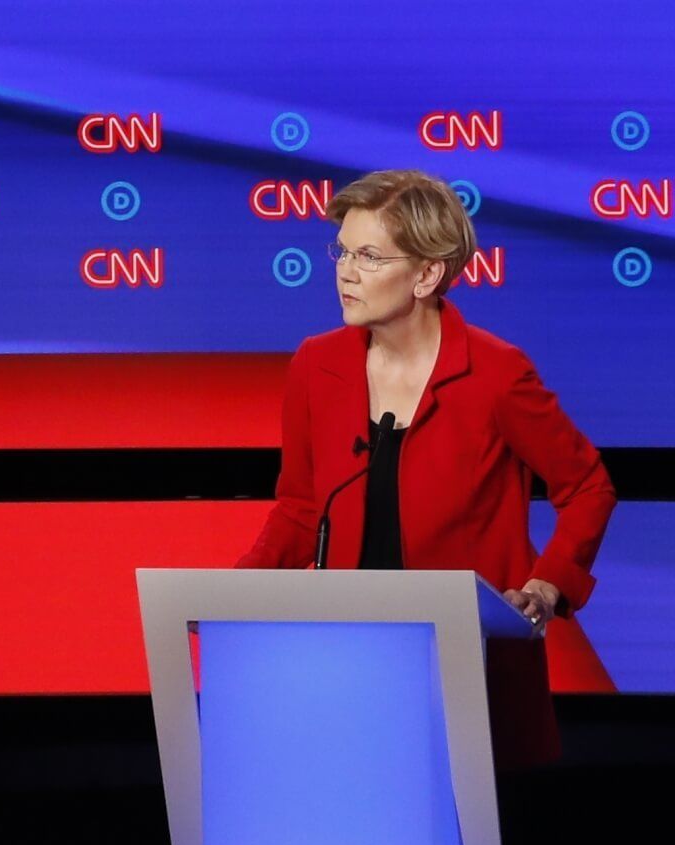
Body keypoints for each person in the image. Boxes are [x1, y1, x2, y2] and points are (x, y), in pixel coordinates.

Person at [240, 168, 617, 764]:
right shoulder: (316, 365)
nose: (344, 269)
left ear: (426, 274)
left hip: (471, 661)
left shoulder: (496, 374)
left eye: (368, 255)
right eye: (341, 249)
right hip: (353, 663)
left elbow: (588, 486)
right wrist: (236, 595)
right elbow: (299, 508)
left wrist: (546, 587)